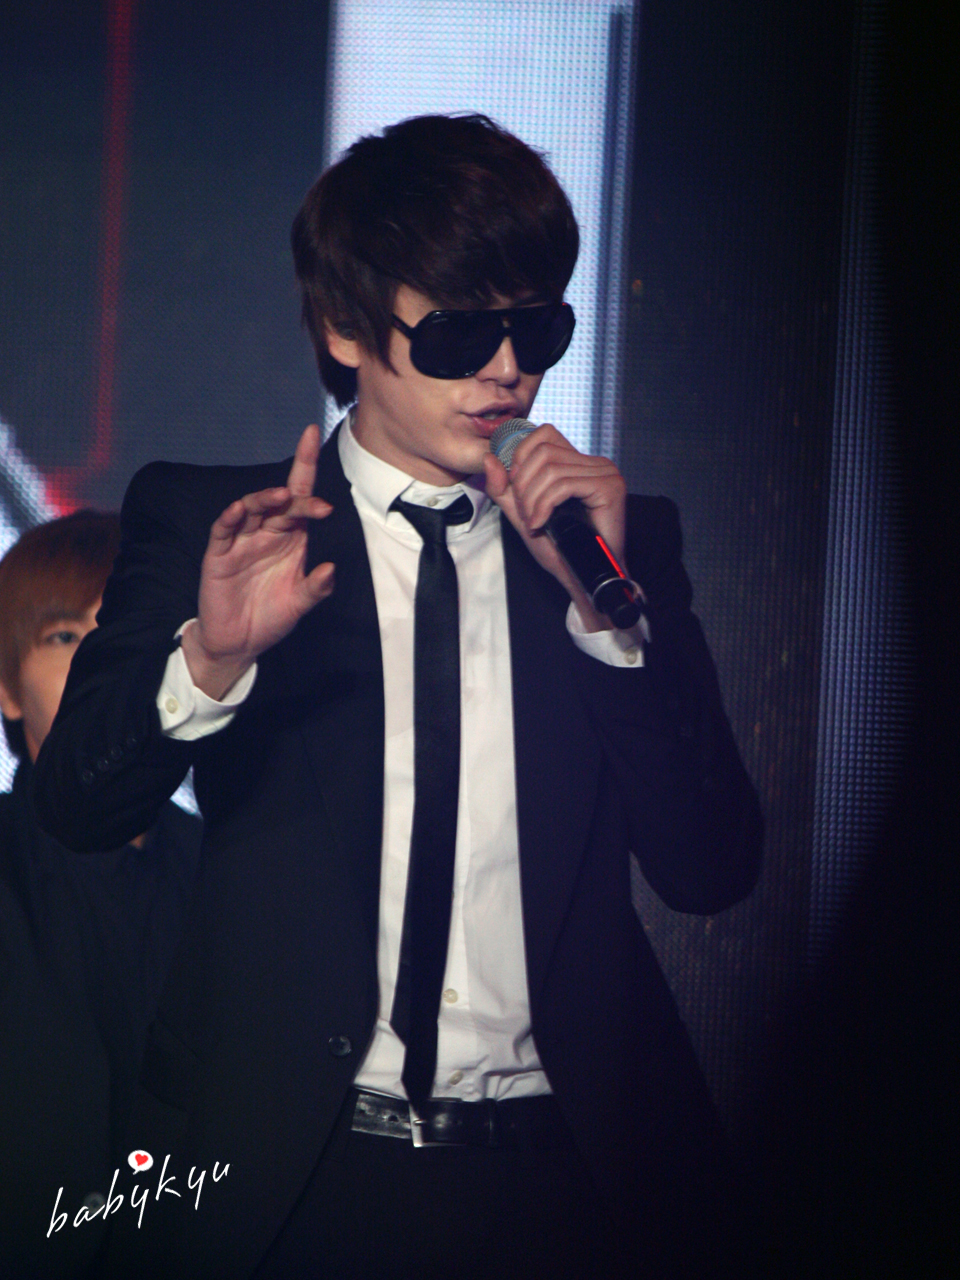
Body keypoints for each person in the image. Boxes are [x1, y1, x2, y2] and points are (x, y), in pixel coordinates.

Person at [34, 115, 763, 1278]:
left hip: (568, 1173)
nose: (507, 367)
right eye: (462, 330)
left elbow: (713, 866)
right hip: (290, 1173)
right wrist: (208, 658)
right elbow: (75, 804)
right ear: (343, 328)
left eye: (538, 327)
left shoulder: (617, 544)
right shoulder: (218, 521)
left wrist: (604, 618)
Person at [0, 511, 201, 1278]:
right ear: (6, 688)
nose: (97, 662)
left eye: (118, 631)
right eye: (63, 636)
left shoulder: (232, 871)